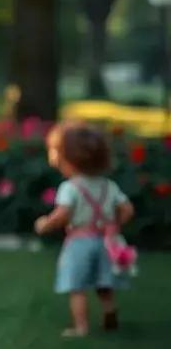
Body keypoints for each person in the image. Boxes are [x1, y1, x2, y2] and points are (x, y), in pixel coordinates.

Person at [34, 122, 135, 337]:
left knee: (77, 286)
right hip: (107, 242)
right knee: (104, 282)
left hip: (80, 242)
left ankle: (80, 327)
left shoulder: (70, 188)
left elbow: (62, 215)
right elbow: (127, 209)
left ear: (67, 158)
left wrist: (45, 224)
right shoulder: (109, 185)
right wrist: (115, 225)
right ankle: (109, 309)